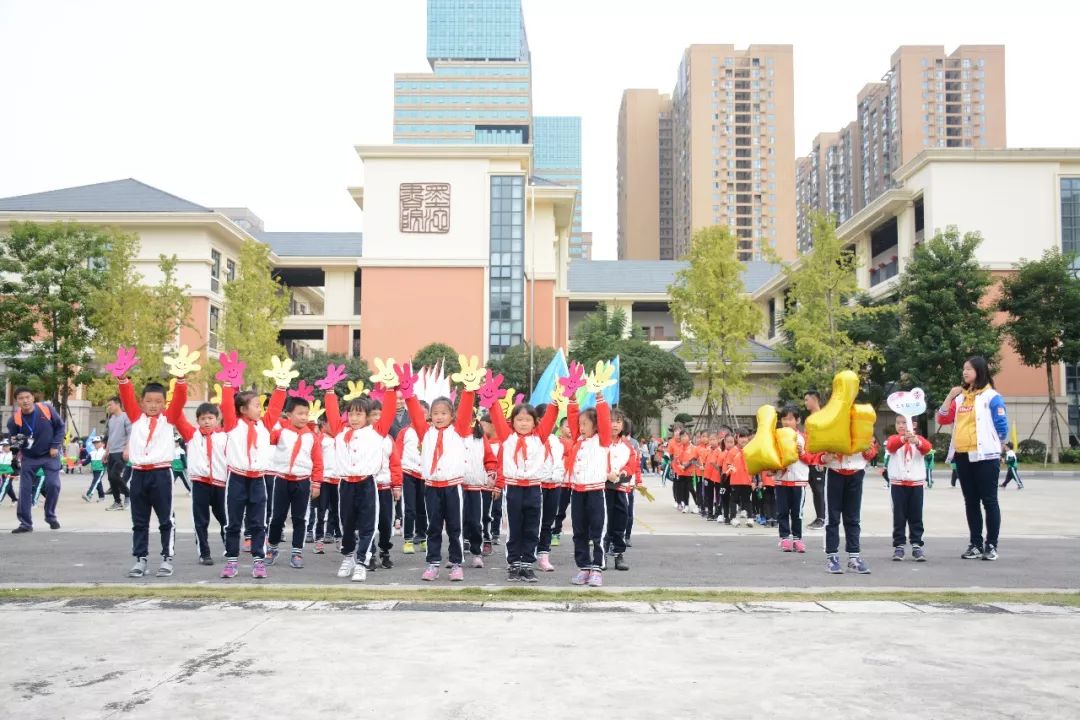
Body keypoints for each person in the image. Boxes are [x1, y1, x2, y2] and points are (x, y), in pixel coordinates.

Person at [113, 360, 187, 578]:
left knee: (166, 518)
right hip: (139, 474)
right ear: (142, 403)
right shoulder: (136, 418)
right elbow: (127, 397)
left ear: (164, 403)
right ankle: (140, 558)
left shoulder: (168, 419)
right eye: (149, 401)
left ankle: (167, 558)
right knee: (139, 520)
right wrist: (123, 379)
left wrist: (181, 380)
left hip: (161, 473)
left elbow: (180, 401)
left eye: (158, 401)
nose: (153, 405)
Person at [404, 363, 478, 583]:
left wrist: (469, 389)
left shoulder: (459, 431)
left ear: (452, 415)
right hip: (432, 488)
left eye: (444, 413)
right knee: (433, 527)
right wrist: (408, 394)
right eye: (435, 413)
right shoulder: (424, 432)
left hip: (452, 487)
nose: (439, 417)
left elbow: (465, 410)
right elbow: (416, 413)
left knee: (455, 527)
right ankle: (433, 563)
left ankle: (456, 564)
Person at [220, 358, 288, 580]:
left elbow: (276, 408)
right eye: (256, 405)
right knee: (234, 522)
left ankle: (259, 561)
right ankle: (231, 561)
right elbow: (226, 406)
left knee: (258, 522)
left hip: (258, 480)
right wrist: (228, 384)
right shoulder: (233, 424)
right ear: (242, 409)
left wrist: (281, 386)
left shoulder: (264, 424)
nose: (261, 408)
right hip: (237, 478)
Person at [936, 355, 1009, 562]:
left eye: (969, 369)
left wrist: (998, 445)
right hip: (962, 455)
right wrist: (950, 396)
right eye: (963, 369)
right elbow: (943, 418)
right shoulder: (960, 398)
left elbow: (1002, 425)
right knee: (971, 502)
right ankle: (975, 544)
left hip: (986, 456)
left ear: (980, 371)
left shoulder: (991, 396)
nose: (965, 372)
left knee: (989, 500)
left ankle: (991, 545)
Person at [327, 388, 398, 583]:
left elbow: (390, 412)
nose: (354, 418)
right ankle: (348, 556)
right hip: (346, 484)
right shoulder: (341, 433)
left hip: (366, 483)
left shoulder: (376, 433)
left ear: (368, 417)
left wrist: (391, 390)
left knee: (368, 525)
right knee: (347, 524)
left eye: (359, 414)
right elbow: (332, 414)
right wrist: (330, 392)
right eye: (351, 413)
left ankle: (361, 562)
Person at [489, 399, 558, 583]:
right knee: (514, 529)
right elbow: (496, 416)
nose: (523, 423)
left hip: (534, 489)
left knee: (532, 528)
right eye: (519, 419)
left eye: (528, 420)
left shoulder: (539, 437)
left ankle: (527, 564)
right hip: (513, 489)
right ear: (512, 422)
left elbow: (551, 417)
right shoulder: (507, 437)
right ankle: (514, 565)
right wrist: (491, 400)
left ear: (535, 422)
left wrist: (556, 401)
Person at [171, 380, 231, 565]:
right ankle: (204, 553)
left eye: (210, 418)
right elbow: (177, 416)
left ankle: (230, 549)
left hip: (221, 484)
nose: (206, 421)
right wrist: (176, 391)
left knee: (226, 519)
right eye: (203, 418)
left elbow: (230, 411)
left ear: (217, 419)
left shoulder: (225, 436)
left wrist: (228, 387)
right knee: (201, 521)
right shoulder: (191, 435)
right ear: (197, 421)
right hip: (200, 483)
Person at [266, 396, 323, 570]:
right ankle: (272, 547)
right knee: (277, 518)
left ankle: (296, 552)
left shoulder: (312, 437)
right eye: (299, 413)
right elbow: (267, 436)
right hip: (282, 480)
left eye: (306, 414)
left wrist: (317, 483)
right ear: (288, 414)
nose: (304, 417)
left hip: (302, 482)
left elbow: (318, 461)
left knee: (300, 518)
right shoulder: (281, 432)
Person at [808, 436, 879, 576]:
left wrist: (867, 449)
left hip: (856, 472)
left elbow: (871, 452)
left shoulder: (861, 424)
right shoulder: (834, 424)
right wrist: (824, 458)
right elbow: (817, 452)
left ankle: (854, 557)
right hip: (835, 473)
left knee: (853, 518)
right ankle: (832, 557)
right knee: (832, 518)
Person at [565, 384, 613, 587]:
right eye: (580, 424)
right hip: (577, 492)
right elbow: (573, 415)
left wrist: (599, 397)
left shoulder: (602, 441)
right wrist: (573, 398)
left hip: (595, 492)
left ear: (595, 426)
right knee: (579, 531)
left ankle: (596, 569)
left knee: (597, 531)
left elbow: (604, 419)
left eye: (585, 424)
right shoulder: (578, 440)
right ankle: (583, 567)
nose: (581, 427)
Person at [7, 387, 66, 533]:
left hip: (50, 455)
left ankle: (50, 516)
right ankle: (25, 524)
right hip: (29, 457)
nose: (25, 400)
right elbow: (14, 442)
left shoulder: (46, 409)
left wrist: (55, 446)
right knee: (25, 490)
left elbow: (60, 427)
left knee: (53, 485)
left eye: (27, 397)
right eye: (21, 398)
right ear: (17, 401)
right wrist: (14, 447)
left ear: (33, 398)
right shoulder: (14, 419)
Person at [886, 415, 932, 562]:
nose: (901, 426)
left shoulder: (918, 440)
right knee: (899, 516)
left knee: (916, 515)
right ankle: (899, 545)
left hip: (916, 484)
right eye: (898, 423)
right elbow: (891, 446)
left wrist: (916, 441)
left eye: (904, 423)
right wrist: (904, 439)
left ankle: (917, 544)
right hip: (898, 484)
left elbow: (927, 448)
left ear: (914, 424)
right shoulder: (894, 439)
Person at [604, 410, 638, 572]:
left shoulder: (627, 445)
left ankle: (618, 553)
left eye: (618, 421)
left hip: (621, 486)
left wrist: (624, 472)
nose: (615, 424)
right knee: (604, 521)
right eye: (611, 420)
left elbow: (632, 463)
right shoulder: (600, 442)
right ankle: (601, 552)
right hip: (603, 486)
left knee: (620, 519)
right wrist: (607, 473)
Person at [370, 403, 401, 572]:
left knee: (385, 522)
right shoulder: (364, 436)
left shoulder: (388, 440)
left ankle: (385, 550)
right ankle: (370, 553)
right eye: (373, 414)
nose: (377, 418)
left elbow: (395, 464)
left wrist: (397, 485)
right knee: (368, 523)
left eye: (380, 415)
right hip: (368, 487)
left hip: (384, 487)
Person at [461, 419, 496, 570]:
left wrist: (491, 473)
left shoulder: (480, 438)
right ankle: (455, 553)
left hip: (475, 485)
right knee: (457, 523)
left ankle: (477, 553)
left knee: (476, 522)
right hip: (457, 485)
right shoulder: (454, 436)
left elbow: (489, 458)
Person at [775, 405, 810, 553]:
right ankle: (784, 538)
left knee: (797, 512)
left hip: (799, 480)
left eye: (790, 419)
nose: (787, 422)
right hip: (781, 480)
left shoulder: (804, 438)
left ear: (797, 420)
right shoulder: (776, 437)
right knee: (782, 511)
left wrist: (802, 453)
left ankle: (797, 538)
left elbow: (812, 459)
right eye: (784, 419)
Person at [396, 399, 428, 555]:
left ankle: (422, 538)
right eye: (417, 413)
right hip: (408, 473)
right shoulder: (405, 431)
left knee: (423, 508)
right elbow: (397, 453)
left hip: (425, 475)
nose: (419, 416)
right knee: (409, 509)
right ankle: (408, 539)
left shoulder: (431, 431)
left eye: (423, 413)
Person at [537, 413, 569, 570]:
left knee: (548, 523)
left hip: (554, 486)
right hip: (536, 485)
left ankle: (544, 554)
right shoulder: (533, 440)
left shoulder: (558, 442)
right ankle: (526, 555)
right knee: (533, 522)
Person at [311, 416, 342, 554]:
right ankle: (318, 539)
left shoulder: (340, 438)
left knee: (337, 512)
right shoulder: (321, 439)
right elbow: (315, 459)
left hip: (338, 480)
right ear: (324, 423)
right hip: (324, 480)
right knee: (321, 511)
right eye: (331, 422)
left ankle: (339, 538)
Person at [803, 390, 827, 529]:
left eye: (807, 400)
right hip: (810, 459)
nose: (805, 403)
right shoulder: (809, 419)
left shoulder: (823, 417)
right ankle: (820, 517)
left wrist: (822, 458)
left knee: (819, 490)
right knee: (814, 489)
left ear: (815, 399)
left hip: (819, 460)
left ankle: (822, 518)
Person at [103, 396, 132, 510]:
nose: (108, 407)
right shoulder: (111, 419)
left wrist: (127, 449)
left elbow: (130, 434)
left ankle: (128, 494)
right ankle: (117, 502)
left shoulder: (125, 417)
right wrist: (106, 452)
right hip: (112, 452)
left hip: (121, 452)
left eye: (110, 405)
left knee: (114, 475)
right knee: (110, 478)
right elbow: (110, 437)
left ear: (117, 404)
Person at [725, 429, 753, 527]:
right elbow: (728, 464)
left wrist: (753, 480)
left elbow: (754, 465)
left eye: (745, 437)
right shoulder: (733, 451)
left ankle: (750, 518)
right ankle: (733, 518)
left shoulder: (750, 450)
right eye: (741, 437)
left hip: (747, 480)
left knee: (747, 500)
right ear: (737, 438)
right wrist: (734, 470)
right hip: (735, 480)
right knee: (734, 499)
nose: (743, 439)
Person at [83, 438, 107, 502]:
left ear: (101, 443)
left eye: (97, 442)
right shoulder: (92, 453)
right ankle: (102, 496)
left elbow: (108, 461)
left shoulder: (105, 452)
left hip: (101, 469)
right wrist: (80, 463)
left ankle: (89, 495)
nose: (95, 444)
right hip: (94, 470)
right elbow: (86, 462)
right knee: (98, 483)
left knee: (95, 482)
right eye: (94, 443)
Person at [0, 440, 17, 505]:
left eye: (6, 446)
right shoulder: (1, 452)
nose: (5, 447)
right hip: (1, 471)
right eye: (4, 446)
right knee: (8, 486)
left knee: (4, 485)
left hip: (9, 471)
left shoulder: (13, 453)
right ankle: (14, 499)